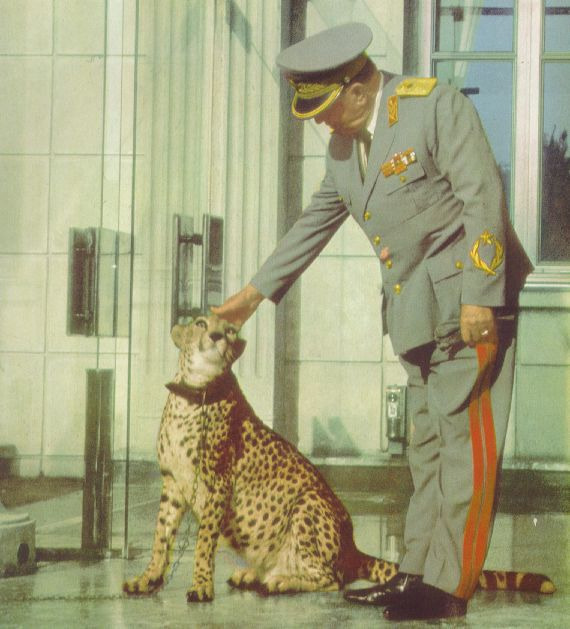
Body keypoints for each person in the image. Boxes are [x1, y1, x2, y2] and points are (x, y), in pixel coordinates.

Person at [212, 22, 533, 622]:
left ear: (358, 89)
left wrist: (480, 296)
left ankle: (450, 587)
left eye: (324, 110)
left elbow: (483, 196)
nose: (319, 124)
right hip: (417, 317)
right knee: (427, 451)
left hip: (469, 308)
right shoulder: (343, 150)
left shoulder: (433, 107)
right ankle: (416, 572)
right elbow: (314, 223)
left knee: (464, 451)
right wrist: (252, 296)